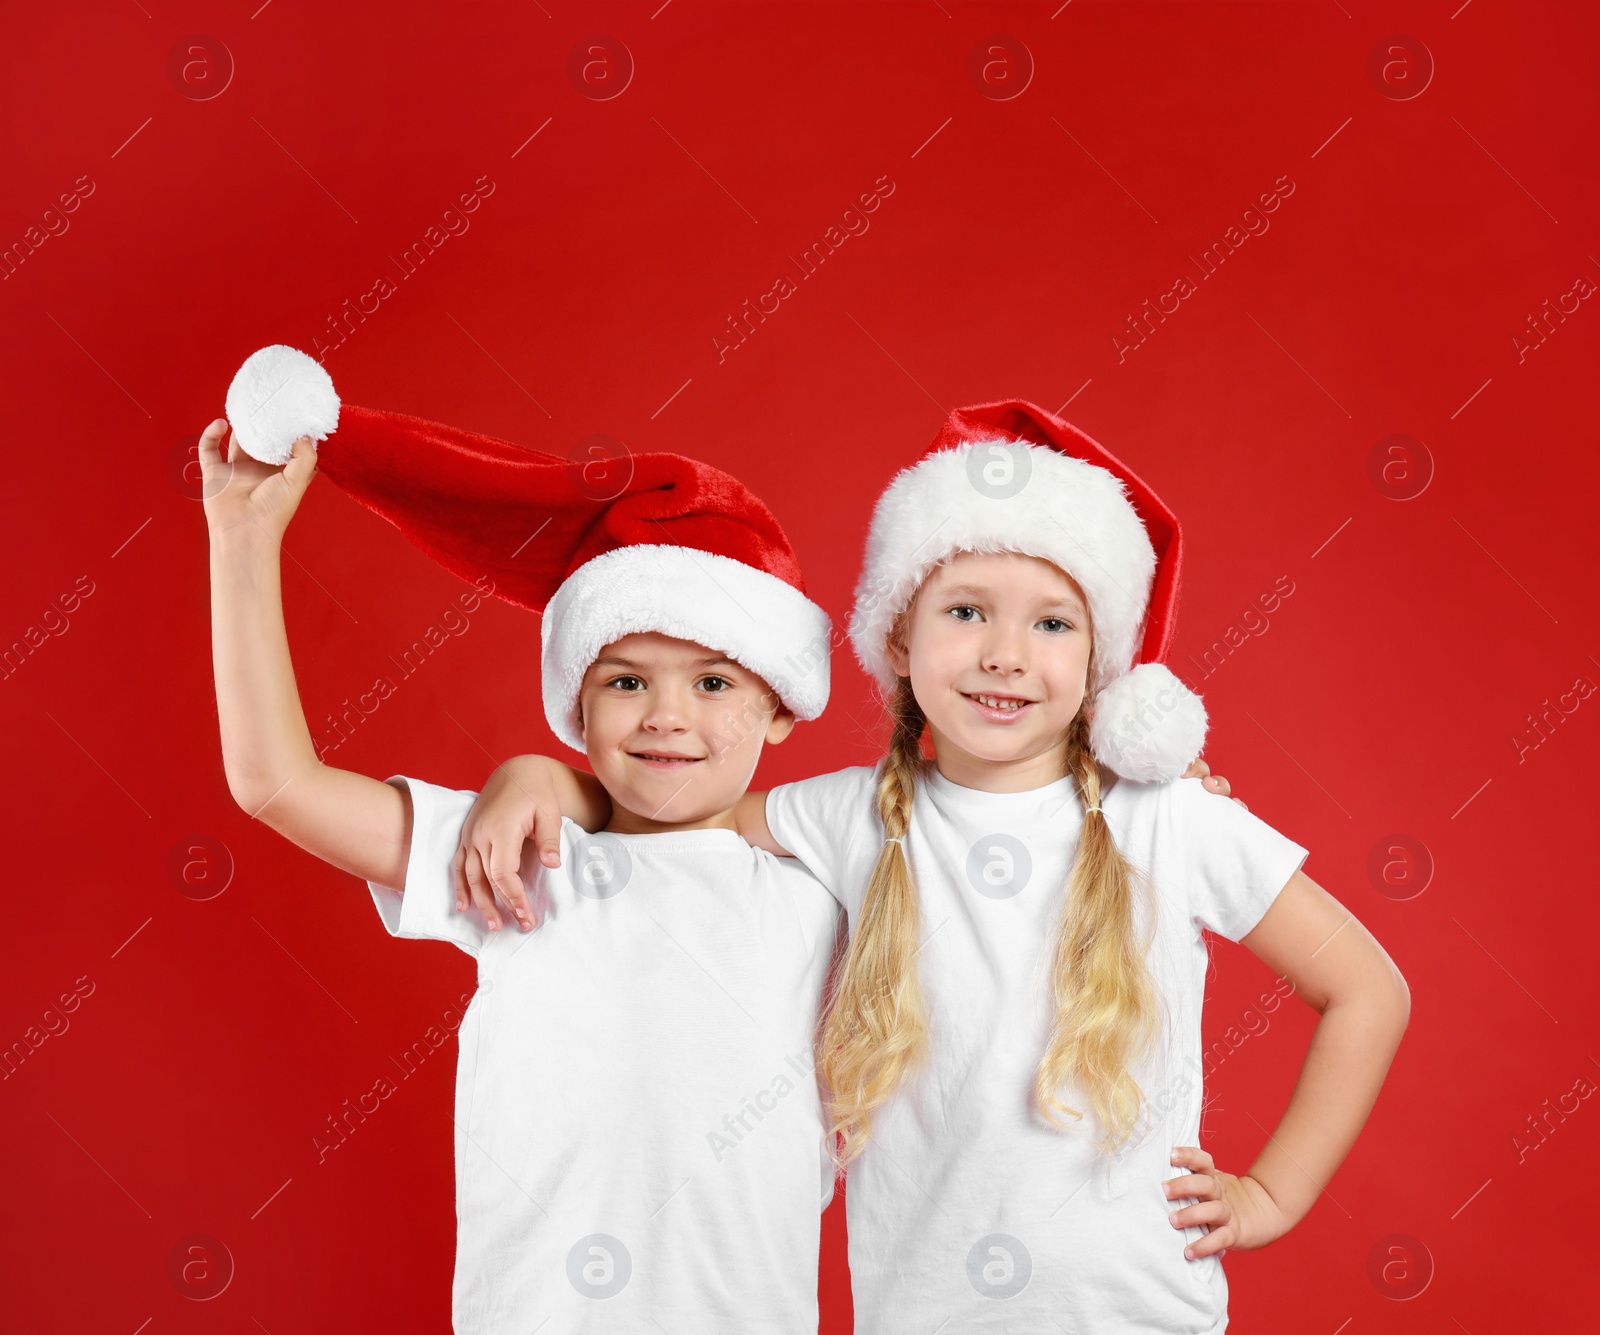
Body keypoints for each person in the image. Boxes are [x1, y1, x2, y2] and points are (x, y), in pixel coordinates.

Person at [455, 401, 1412, 1333]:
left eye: (1052, 624)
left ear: (1102, 661)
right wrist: (541, 775)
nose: (1005, 655)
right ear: (902, 638)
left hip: (1139, 1312)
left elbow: (1367, 989)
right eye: (966, 611)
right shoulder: (853, 815)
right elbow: (671, 814)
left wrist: (1269, 1196)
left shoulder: (1170, 820)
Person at [203, 346, 845, 1334]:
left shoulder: (824, 882)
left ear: (781, 712)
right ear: (576, 710)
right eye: (626, 681)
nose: (667, 715)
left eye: (713, 683)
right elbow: (275, 784)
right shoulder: (519, 858)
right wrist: (242, 545)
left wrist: (1154, 795)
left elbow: (1018, 854)